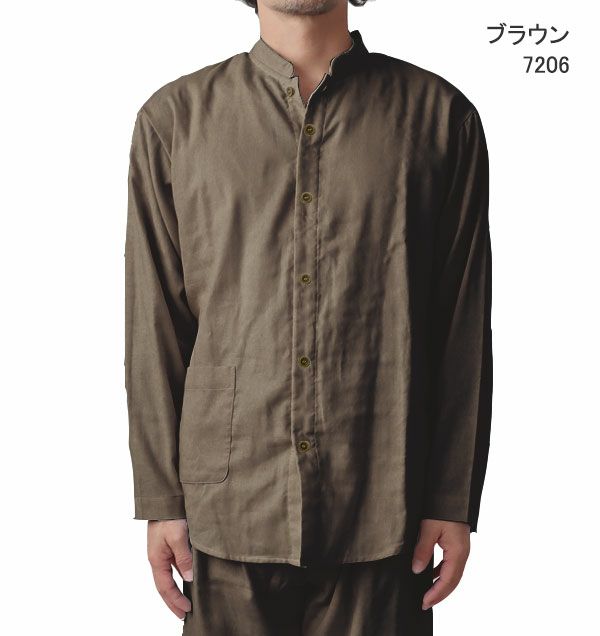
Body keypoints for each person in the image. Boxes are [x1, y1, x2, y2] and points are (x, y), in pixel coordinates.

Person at [124, 0, 493, 633]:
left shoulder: (440, 118)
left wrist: (450, 496)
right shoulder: (174, 120)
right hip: (226, 513)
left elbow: (461, 324)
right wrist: (161, 497)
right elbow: (154, 323)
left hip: (385, 504)